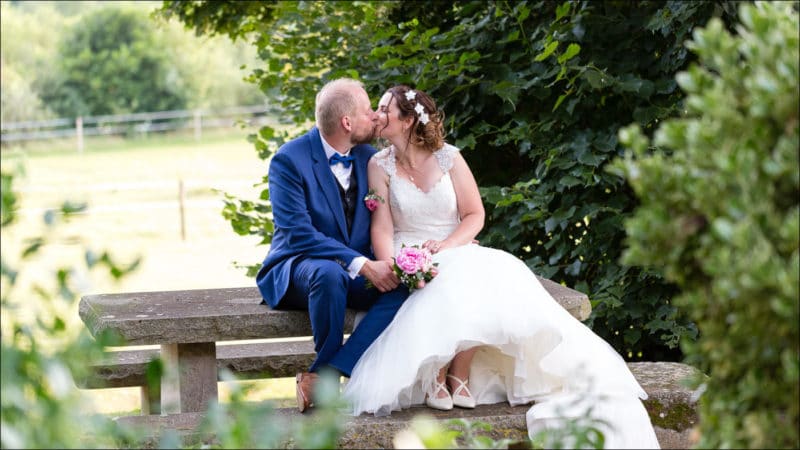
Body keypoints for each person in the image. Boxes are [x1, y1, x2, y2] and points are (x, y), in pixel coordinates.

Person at [341, 85, 661, 449]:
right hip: (407, 248)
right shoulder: (377, 164)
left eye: (384, 109)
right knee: (444, 279)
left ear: (409, 119)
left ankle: (459, 373)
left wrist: (446, 246)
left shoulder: (449, 157)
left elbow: (474, 214)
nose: (377, 115)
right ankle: (436, 373)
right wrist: (393, 265)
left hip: (454, 242)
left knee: (490, 270)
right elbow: (381, 226)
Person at [255, 78, 409, 413]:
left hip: (349, 274)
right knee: (327, 273)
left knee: (403, 285)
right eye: (369, 111)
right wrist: (361, 263)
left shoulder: (371, 158)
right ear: (347, 122)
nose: (375, 118)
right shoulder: (288, 160)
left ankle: (329, 371)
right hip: (298, 266)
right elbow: (298, 234)